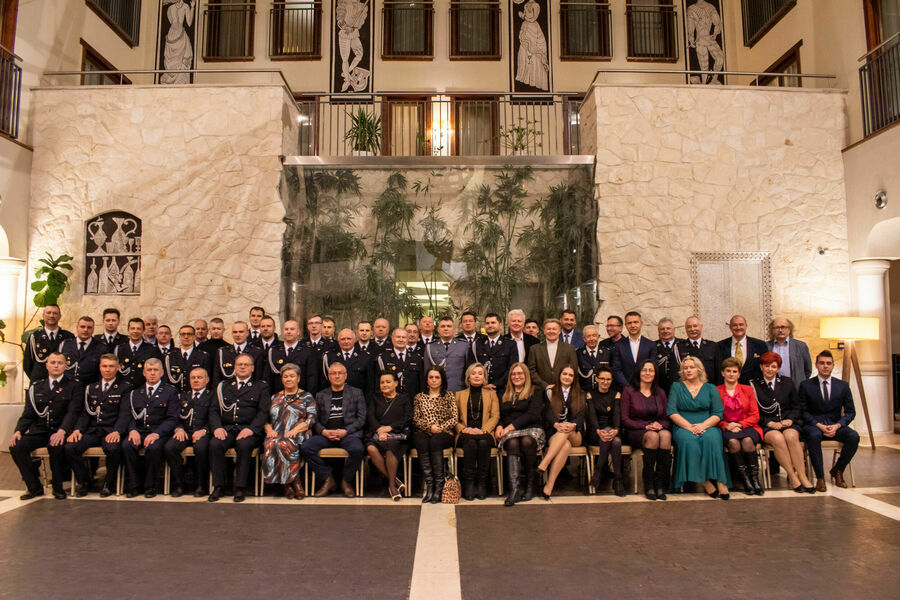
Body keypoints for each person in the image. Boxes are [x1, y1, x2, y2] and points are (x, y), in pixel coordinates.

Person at [10, 352, 82, 500]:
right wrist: (19, 430)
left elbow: (73, 412)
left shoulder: (73, 386)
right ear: (47, 365)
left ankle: (57, 487)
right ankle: (34, 486)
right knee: (17, 446)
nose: (56, 365)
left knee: (56, 446)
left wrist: (62, 431)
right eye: (53, 362)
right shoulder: (36, 387)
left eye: (60, 363)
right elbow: (29, 413)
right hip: (40, 430)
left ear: (65, 366)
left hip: (60, 429)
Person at [208, 354, 271, 502]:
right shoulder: (223, 386)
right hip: (227, 428)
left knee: (244, 445)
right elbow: (214, 410)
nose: (242, 367)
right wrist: (217, 427)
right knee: (215, 444)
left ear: (253, 368)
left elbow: (263, 412)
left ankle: (240, 487)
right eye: (239, 364)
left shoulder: (261, 386)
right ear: (234, 367)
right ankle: (219, 486)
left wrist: (251, 429)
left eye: (246, 365)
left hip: (249, 430)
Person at [65, 353, 129, 497]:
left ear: (117, 368)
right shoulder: (91, 388)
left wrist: (118, 431)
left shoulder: (124, 388)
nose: (107, 369)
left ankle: (109, 483)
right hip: (93, 430)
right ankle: (84, 481)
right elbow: (85, 413)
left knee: (113, 448)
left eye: (111, 366)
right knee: (70, 447)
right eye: (104, 366)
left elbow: (125, 413)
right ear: (99, 368)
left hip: (111, 430)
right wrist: (77, 430)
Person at [751, 352, 815, 493]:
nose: (770, 369)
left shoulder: (787, 382)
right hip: (766, 425)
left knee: (791, 436)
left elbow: (797, 406)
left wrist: (790, 420)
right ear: (761, 367)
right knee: (778, 438)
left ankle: (803, 477)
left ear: (778, 368)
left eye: (773, 367)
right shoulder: (754, 385)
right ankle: (793, 477)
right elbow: (753, 411)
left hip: (787, 421)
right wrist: (769, 423)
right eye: (766, 366)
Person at [668, 356, 730, 499]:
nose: (688, 370)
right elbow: (672, 412)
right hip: (683, 425)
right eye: (685, 368)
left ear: (699, 369)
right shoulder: (676, 387)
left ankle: (721, 481)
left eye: (692, 367)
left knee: (712, 439)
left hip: (707, 424)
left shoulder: (710, 388)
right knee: (689, 442)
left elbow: (718, 414)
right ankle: (705, 481)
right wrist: (689, 427)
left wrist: (703, 425)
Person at [302, 362, 366, 498]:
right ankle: (328, 478)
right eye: (333, 373)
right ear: (329, 376)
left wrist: (346, 431)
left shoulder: (356, 393)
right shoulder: (320, 395)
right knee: (306, 447)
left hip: (348, 434)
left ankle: (345, 481)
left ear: (346, 376)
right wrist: (323, 431)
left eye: (340, 373)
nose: (337, 376)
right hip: (326, 434)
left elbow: (361, 419)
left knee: (357, 449)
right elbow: (314, 419)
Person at [800, 350, 859, 491]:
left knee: (854, 437)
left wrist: (838, 425)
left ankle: (838, 470)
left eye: (828, 363)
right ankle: (820, 478)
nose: (825, 366)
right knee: (813, 436)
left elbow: (851, 411)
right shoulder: (806, 385)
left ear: (833, 366)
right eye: (822, 363)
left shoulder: (842, 386)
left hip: (835, 424)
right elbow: (802, 411)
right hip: (814, 425)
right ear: (816, 365)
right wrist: (818, 425)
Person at [121, 359, 179, 498]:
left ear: (162, 373)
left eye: (156, 370)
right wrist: (132, 430)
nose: (152, 373)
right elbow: (128, 415)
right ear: (144, 372)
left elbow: (172, 418)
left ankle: (149, 485)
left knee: (154, 448)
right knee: (127, 446)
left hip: (159, 431)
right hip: (139, 430)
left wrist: (157, 434)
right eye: (149, 370)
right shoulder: (135, 393)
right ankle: (135, 485)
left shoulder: (170, 391)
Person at [621, 359, 671, 500]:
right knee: (653, 437)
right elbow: (625, 420)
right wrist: (645, 426)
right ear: (639, 372)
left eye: (651, 370)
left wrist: (661, 425)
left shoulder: (660, 392)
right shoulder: (629, 391)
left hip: (656, 428)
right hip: (635, 431)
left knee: (666, 435)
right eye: (644, 370)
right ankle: (648, 483)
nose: (647, 373)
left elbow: (667, 417)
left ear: (655, 373)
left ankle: (660, 483)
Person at [263, 363, 316, 500]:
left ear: (298, 378)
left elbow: (311, 419)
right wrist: (269, 430)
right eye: (285, 376)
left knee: (284, 443)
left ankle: (294, 483)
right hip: (276, 432)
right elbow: (264, 419)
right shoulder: (274, 397)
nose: (288, 379)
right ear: (281, 379)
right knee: (271, 443)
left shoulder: (307, 397)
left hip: (298, 432)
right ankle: (288, 485)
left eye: (292, 376)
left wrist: (296, 429)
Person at [495, 362, 544, 506]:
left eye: (520, 374)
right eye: (514, 374)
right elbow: (500, 415)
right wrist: (499, 426)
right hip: (510, 431)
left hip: (531, 428)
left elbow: (533, 414)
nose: (516, 377)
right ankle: (515, 489)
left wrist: (511, 426)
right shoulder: (503, 392)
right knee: (512, 442)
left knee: (527, 441)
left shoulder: (536, 390)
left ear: (526, 375)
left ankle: (530, 485)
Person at [163, 367, 214, 498]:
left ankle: (200, 484)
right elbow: (174, 416)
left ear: (207, 380)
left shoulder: (212, 396)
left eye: (199, 377)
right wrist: (178, 428)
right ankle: (180, 483)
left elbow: (215, 417)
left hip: (203, 432)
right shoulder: (181, 396)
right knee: (170, 447)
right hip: (184, 431)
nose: (196, 380)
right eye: (193, 378)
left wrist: (204, 430)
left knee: (201, 448)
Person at [717, 358, 764, 495]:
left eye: (734, 371)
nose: (731, 374)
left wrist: (739, 424)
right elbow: (714, 414)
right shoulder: (716, 391)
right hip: (726, 428)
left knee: (747, 441)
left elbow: (755, 415)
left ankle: (754, 480)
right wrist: (726, 425)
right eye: (728, 371)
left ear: (739, 374)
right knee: (733, 442)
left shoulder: (748, 390)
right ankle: (745, 481)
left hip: (748, 426)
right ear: (722, 373)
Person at [412, 366, 458, 503]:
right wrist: (429, 428)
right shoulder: (419, 397)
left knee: (435, 441)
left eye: (437, 377)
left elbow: (454, 418)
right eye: (431, 377)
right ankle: (430, 486)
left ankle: (439, 486)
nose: (433, 380)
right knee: (421, 440)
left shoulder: (449, 395)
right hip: (425, 431)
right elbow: (416, 419)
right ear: (426, 380)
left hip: (445, 433)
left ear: (442, 379)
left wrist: (440, 428)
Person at [538, 366, 584, 499]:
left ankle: (545, 463)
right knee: (565, 446)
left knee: (566, 432)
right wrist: (556, 424)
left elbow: (581, 416)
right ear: (559, 375)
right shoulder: (550, 392)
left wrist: (573, 425)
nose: (567, 377)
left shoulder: (580, 393)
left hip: (575, 434)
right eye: (564, 374)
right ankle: (549, 486)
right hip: (555, 433)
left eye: (570, 375)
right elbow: (547, 413)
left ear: (574, 378)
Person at [455, 363, 500, 500]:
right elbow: (453, 417)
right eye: (473, 373)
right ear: (468, 377)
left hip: (485, 432)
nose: (477, 376)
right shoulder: (459, 394)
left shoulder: (492, 394)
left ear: (484, 377)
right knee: (471, 443)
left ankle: (481, 483)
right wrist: (463, 429)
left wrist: (483, 430)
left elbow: (495, 415)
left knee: (482, 443)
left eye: (480, 373)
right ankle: (469, 483)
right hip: (464, 432)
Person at [365, 372, 411, 501]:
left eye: (388, 382)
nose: (384, 385)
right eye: (382, 382)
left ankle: (391, 485)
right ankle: (395, 481)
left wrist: (390, 428)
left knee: (391, 447)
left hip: (397, 434)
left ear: (396, 383)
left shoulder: (404, 398)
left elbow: (407, 418)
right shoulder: (375, 398)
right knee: (371, 448)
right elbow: (371, 417)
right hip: (377, 434)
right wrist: (380, 431)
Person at [586, 366, 625, 497]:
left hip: (613, 429)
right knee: (613, 440)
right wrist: (598, 430)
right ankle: (618, 479)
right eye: (602, 378)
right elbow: (592, 416)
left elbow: (616, 415)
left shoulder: (616, 394)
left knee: (616, 441)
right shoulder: (591, 394)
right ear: (596, 379)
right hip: (594, 431)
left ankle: (599, 470)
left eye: (608, 379)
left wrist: (616, 429)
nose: (605, 381)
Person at [23, 304, 74, 382]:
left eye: (55, 313)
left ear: (60, 316)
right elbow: (27, 364)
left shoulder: (68, 337)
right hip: (39, 384)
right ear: (43, 316)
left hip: (63, 385)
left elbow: (72, 363)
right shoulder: (34, 337)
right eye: (48, 313)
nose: (51, 315)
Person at [470, 312, 517, 397]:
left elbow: (512, 368)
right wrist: (483, 384)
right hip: (481, 389)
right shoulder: (477, 344)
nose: (490, 325)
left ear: (500, 325)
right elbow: (471, 366)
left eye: (493, 322)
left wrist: (496, 384)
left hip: (503, 389)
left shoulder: (510, 344)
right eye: (487, 323)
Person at [527, 318, 577, 393]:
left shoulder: (569, 349)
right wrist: (544, 385)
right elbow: (531, 370)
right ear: (544, 331)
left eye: (554, 329)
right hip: (540, 390)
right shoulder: (534, 349)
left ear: (559, 331)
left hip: (563, 390)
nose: (551, 331)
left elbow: (573, 369)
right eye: (548, 329)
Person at [267, 319, 317, 394]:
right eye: (286, 329)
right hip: (279, 397)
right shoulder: (273, 351)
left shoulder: (307, 351)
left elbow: (312, 378)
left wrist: (308, 397)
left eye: (292, 329)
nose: (289, 331)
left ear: (298, 332)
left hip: (301, 397)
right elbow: (268, 377)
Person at [611, 311, 658, 390]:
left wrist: (644, 386)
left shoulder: (651, 345)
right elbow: (616, 369)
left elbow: (653, 367)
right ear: (625, 325)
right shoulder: (618, 346)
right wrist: (627, 387)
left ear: (641, 324)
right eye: (629, 323)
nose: (632, 325)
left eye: (636, 322)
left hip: (646, 389)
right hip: (625, 389)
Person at [424, 317, 471, 392]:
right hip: (437, 391)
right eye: (443, 326)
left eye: (449, 326)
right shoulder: (430, 347)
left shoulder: (464, 346)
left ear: (454, 329)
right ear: (438, 329)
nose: (446, 329)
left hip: (458, 390)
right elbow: (426, 371)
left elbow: (469, 370)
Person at [323, 328, 374, 396]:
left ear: (355, 340)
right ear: (338, 341)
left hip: (358, 399)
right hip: (335, 398)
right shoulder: (329, 356)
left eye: (349, 338)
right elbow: (325, 381)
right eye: (343, 339)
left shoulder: (365, 357)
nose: (346, 341)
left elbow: (370, 385)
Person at [717, 314, 767, 384]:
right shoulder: (720, 346)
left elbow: (765, 368)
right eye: (735, 325)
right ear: (730, 327)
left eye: (741, 324)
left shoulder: (760, 345)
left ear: (746, 326)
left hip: (753, 388)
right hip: (728, 388)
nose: (738, 327)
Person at [114, 318, 162, 388]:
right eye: (132, 328)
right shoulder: (119, 349)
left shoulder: (152, 350)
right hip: (122, 390)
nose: (135, 331)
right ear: (128, 330)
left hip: (143, 391)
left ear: (143, 330)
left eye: (138, 329)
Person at [213, 321, 265, 387]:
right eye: (235, 332)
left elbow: (258, 378)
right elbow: (216, 378)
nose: (238, 335)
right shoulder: (222, 352)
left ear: (247, 333)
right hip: (227, 392)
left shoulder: (257, 352)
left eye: (241, 332)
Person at [675, 316, 722, 385]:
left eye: (695, 326)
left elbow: (719, 373)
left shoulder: (713, 346)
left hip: (709, 389)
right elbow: (675, 374)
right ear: (685, 329)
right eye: (689, 327)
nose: (692, 329)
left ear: (701, 327)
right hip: (687, 390)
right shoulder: (678, 348)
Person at [377, 328, 425, 397]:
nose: (401, 340)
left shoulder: (417, 358)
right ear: (392, 339)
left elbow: (421, 382)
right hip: (391, 400)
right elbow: (378, 383)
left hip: (412, 400)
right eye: (398, 337)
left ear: (407, 339)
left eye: (404, 337)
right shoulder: (383, 358)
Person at [767, 317, 812, 390]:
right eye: (777, 327)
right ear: (772, 330)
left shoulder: (801, 346)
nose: (780, 330)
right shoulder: (766, 346)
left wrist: (799, 381)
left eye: (783, 327)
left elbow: (808, 370)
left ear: (789, 329)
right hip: (772, 388)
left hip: (795, 388)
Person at [165, 324, 211, 392]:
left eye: (189, 334)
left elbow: (207, 380)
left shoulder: (203, 356)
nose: (186, 337)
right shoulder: (170, 356)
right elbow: (166, 380)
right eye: (183, 334)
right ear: (179, 337)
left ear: (194, 336)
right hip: (175, 396)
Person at [59, 315, 103, 385]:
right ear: (77, 328)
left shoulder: (101, 348)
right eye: (82, 327)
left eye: (89, 327)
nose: (85, 330)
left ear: (93, 329)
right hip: (67, 388)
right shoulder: (65, 345)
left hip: (89, 388)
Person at [576, 324, 612, 392]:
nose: (591, 339)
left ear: (598, 337)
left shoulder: (607, 353)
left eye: (594, 335)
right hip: (584, 392)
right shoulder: (578, 354)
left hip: (602, 392)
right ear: (584, 338)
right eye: (588, 336)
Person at [655, 317, 680, 392]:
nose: (665, 331)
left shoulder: (682, 344)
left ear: (674, 330)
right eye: (662, 329)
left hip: (680, 389)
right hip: (659, 389)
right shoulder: (652, 346)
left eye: (668, 328)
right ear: (658, 331)